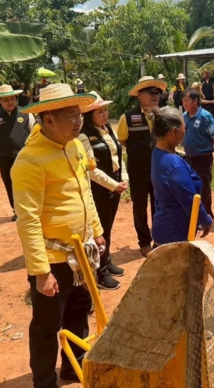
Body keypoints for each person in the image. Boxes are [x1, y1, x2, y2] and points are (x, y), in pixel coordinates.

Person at [11, 84, 103, 388]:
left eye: (79, 114)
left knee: (79, 312)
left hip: (81, 253)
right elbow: (28, 220)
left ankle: (73, 367)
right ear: (49, 119)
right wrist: (41, 272)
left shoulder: (75, 146)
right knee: (47, 326)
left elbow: (85, 193)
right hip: (53, 258)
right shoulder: (30, 160)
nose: (79, 121)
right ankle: (45, 381)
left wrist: (97, 231)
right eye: (71, 116)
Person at [78, 92, 128, 290]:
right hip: (100, 189)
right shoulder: (84, 136)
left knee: (108, 226)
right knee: (100, 229)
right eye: (99, 112)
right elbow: (91, 170)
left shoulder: (108, 130)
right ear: (89, 115)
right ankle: (100, 273)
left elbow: (118, 156)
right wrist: (113, 185)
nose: (105, 114)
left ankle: (107, 261)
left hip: (115, 184)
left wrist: (124, 178)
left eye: (105, 110)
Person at [117, 75, 168, 257]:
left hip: (158, 168)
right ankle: (144, 242)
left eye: (158, 92)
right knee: (139, 207)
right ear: (139, 95)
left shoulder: (163, 116)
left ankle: (158, 239)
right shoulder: (127, 118)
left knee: (159, 205)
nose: (155, 95)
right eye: (150, 92)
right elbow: (123, 140)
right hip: (138, 169)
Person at [151, 107, 213, 245]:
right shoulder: (174, 166)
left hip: (165, 227)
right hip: (174, 235)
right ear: (174, 132)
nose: (185, 132)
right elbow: (191, 201)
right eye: (184, 128)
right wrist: (206, 220)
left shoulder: (158, 153)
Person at [0, 84, 36, 221]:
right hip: (5, 158)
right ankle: (17, 211)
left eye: (12, 99)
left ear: (16, 99)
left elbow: (35, 133)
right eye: (6, 100)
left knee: (27, 184)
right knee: (10, 184)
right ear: (0, 101)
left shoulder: (26, 113)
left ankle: (30, 209)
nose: (10, 102)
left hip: (24, 157)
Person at [182, 88, 214, 220]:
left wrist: (205, 148)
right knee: (190, 187)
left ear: (195, 101)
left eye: (187, 100)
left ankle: (206, 218)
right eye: (183, 101)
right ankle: (194, 217)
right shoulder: (184, 117)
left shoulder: (205, 116)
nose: (184, 103)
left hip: (204, 159)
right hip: (189, 158)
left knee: (203, 188)